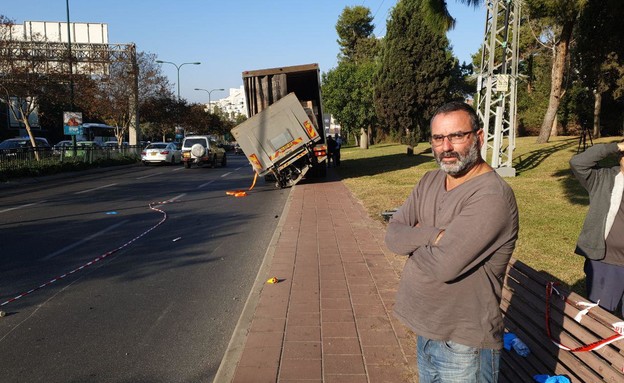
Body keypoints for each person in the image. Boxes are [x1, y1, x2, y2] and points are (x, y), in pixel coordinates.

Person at [385, 101, 519, 383]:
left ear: (479, 137)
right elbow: (393, 235)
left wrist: (414, 242)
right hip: (428, 331)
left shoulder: (491, 196)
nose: (446, 147)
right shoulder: (429, 180)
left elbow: (446, 266)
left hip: (464, 345)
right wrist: (433, 235)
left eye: (457, 136)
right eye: (438, 138)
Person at [570, 141, 624, 318]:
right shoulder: (603, 178)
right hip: (607, 261)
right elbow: (578, 162)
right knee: (601, 318)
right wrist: (615, 146)